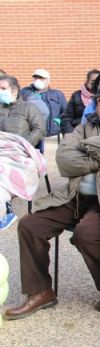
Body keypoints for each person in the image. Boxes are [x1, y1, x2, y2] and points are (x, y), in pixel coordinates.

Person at [3, 76, 100, 319]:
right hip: (77, 195)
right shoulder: (87, 124)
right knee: (30, 225)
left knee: (85, 234)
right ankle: (41, 292)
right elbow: (64, 158)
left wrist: (85, 150)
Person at [0, 75, 46, 230]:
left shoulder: (29, 108)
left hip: (20, 151)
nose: (0, 92)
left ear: (15, 90)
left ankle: (4, 210)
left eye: (3, 89)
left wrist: (22, 143)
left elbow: (39, 130)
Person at [19, 68, 67, 137]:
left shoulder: (57, 94)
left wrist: (57, 121)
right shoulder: (24, 92)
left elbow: (66, 112)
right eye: (36, 78)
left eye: (41, 78)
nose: (38, 80)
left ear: (48, 80)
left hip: (51, 132)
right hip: (29, 132)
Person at [61, 69, 100, 136]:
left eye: (98, 82)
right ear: (87, 81)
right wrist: (69, 132)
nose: (95, 85)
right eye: (92, 81)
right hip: (78, 133)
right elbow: (67, 117)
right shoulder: (77, 96)